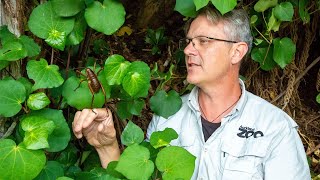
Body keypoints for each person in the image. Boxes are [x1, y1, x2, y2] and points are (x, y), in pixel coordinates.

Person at [72, 6, 311, 180]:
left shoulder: (275, 129)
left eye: (204, 41)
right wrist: (107, 147)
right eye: (189, 41)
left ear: (237, 52)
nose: (188, 50)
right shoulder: (167, 117)